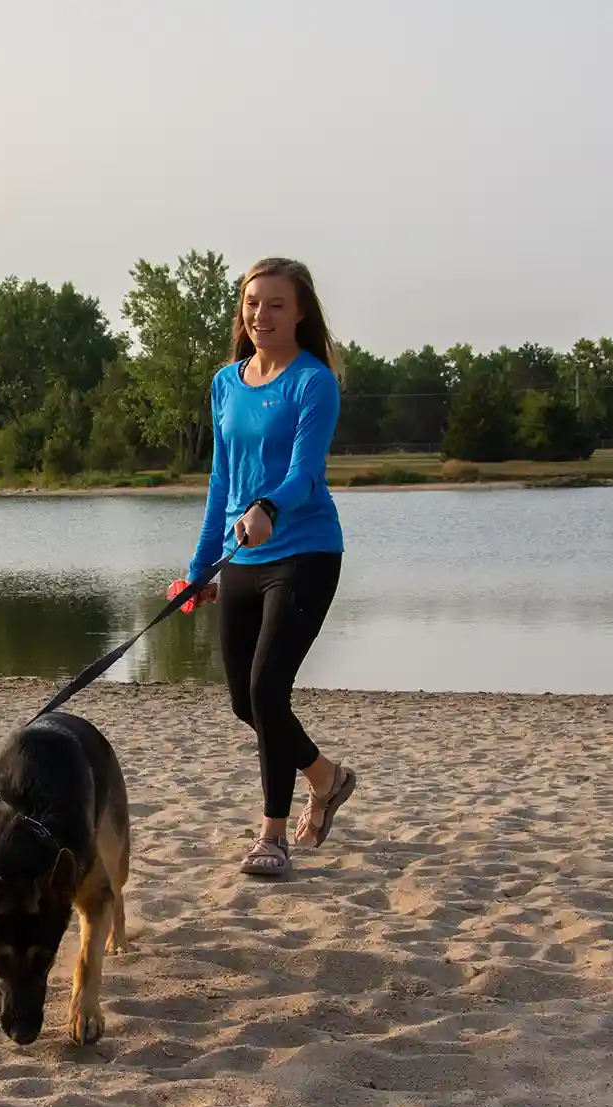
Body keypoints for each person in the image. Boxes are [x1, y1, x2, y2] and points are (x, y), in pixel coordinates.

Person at [183, 257, 356, 877]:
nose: (261, 314)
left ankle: (272, 837)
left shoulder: (314, 382)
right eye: (253, 303)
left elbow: (305, 475)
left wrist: (268, 507)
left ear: (301, 311)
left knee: (266, 690)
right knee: (243, 701)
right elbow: (220, 481)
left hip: (305, 551)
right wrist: (199, 568)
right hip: (241, 557)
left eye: (276, 304)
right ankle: (326, 776)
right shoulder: (226, 382)